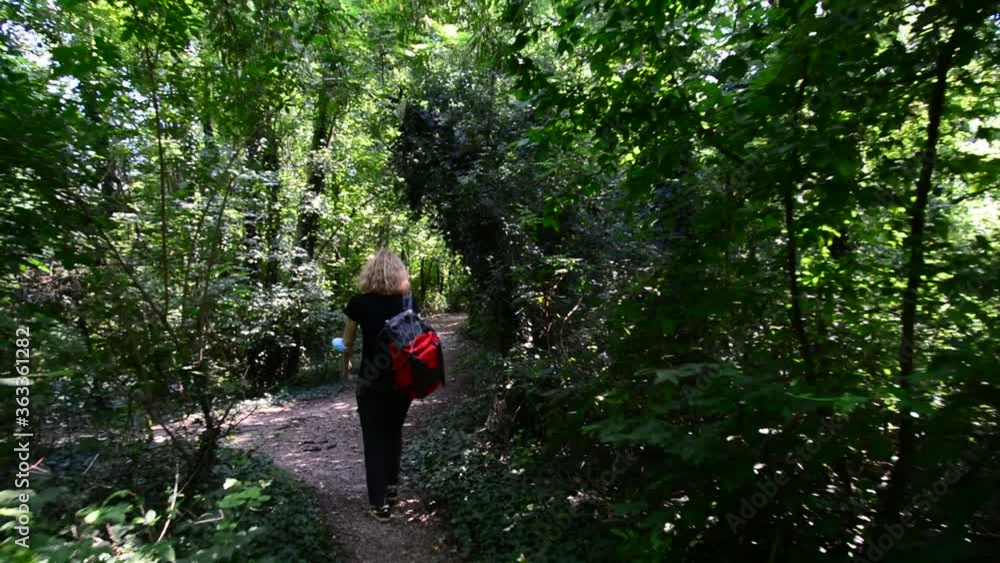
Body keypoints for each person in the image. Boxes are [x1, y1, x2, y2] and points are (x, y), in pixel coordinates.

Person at [339, 249, 420, 522]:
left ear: (369, 274)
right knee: (394, 431)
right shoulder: (408, 301)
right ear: (400, 273)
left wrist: (345, 366)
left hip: (370, 380)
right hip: (403, 379)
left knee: (373, 438)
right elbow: (414, 339)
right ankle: (392, 488)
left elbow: (347, 342)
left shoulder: (358, 303)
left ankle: (379, 504)